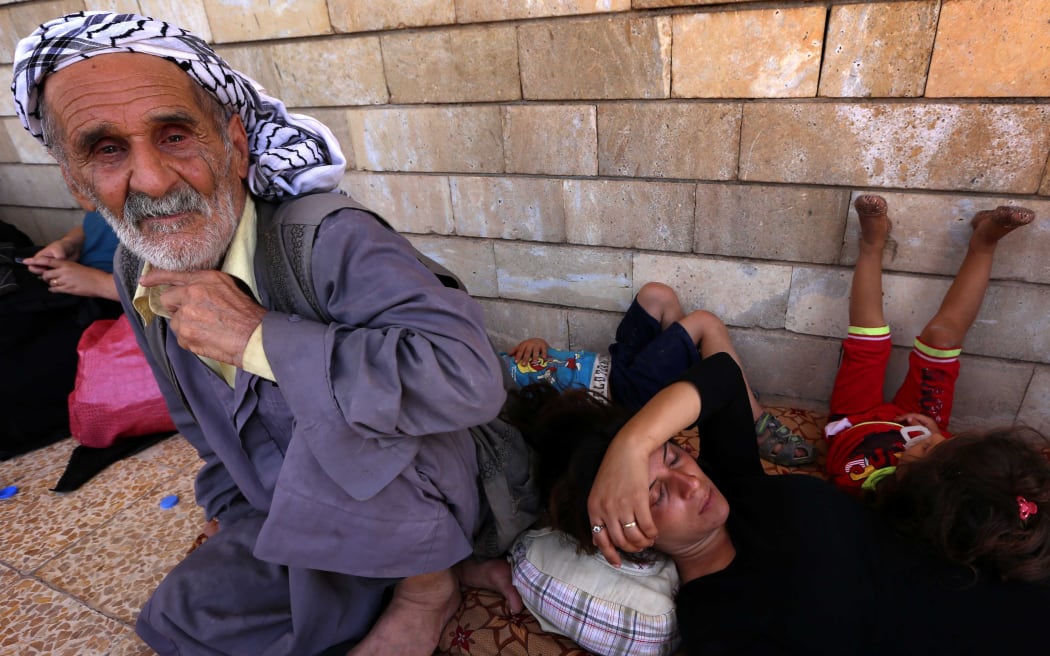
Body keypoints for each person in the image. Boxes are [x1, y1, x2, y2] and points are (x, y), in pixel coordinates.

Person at [12, 11, 507, 656]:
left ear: (236, 144)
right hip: (286, 498)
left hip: (412, 491)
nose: (153, 180)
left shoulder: (329, 239)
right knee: (180, 620)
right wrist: (232, 505)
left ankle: (427, 588)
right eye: (107, 151)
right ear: (78, 182)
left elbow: (468, 379)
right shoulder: (135, 267)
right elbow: (197, 422)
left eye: (175, 136)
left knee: (333, 435)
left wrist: (260, 336)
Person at [510, 350, 1050, 655]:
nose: (690, 483)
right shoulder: (716, 621)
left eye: (674, 457)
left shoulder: (737, 488)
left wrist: (634, 444)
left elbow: (722, 373)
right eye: (656, 495)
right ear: (625, 535)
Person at [823, 195, 1035, 495]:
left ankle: (872, 243)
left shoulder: (869, 495)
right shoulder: (941, 453)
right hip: (918, 419)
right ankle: (984, 242)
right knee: (942, 339)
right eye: (944, 446)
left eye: (929, 449)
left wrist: (931, 447)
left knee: (868, 338)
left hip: (853, 421)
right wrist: (935, 436)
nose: (933, 442)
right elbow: (946, 448)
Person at [502, 281, 814, 466]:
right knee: (705, 323)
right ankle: (753, 424)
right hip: (621, 395)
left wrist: (538, 343)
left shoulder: (493, 361)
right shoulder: (493, 399)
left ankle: (715, 390)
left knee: (657, 295)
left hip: (616, 366)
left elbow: (544, 367)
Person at [0, 211, 122, 457]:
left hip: (111, 306)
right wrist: (69, 243)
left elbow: (188, 292)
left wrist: (101, 284)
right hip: (72, 286)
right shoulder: (111, 194)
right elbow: (96, 222)